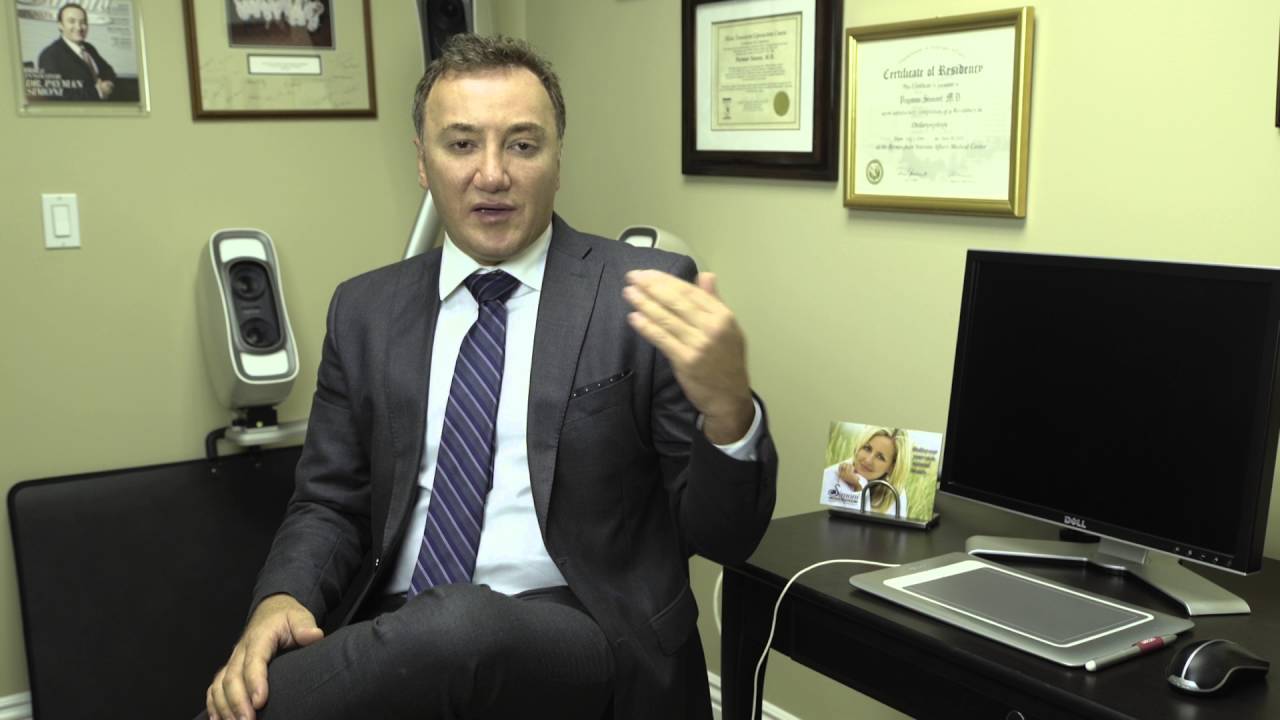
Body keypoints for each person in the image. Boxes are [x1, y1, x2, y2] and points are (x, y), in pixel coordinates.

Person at [203, 34, 777, 720]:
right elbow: (330, 502)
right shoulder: (364, 311)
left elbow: (725, 537)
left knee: (460, 624)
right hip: (404, 630)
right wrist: (281, 598)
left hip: (585, 628)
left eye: (523, 145)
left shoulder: (641, 292)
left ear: (558, 160)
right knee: (428, 635)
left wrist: (728, 413)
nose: (493, 173)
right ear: (423, 161)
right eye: (462, 144)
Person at [820, 427, 910, 518]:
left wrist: (858, 485)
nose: (868, 460)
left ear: (891, 467)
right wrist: (858, 488)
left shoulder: (895, 493)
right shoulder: (831, 476)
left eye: (880, 457)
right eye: (867, 448)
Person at [36, 3, 116, 101]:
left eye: (83, 22)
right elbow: (57, 96)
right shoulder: (49, 55)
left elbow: (108, 71)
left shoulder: (89, 48)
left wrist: (108, 84)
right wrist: (98, 92)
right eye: (72, 21)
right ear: (60, 25)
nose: (79, 27)